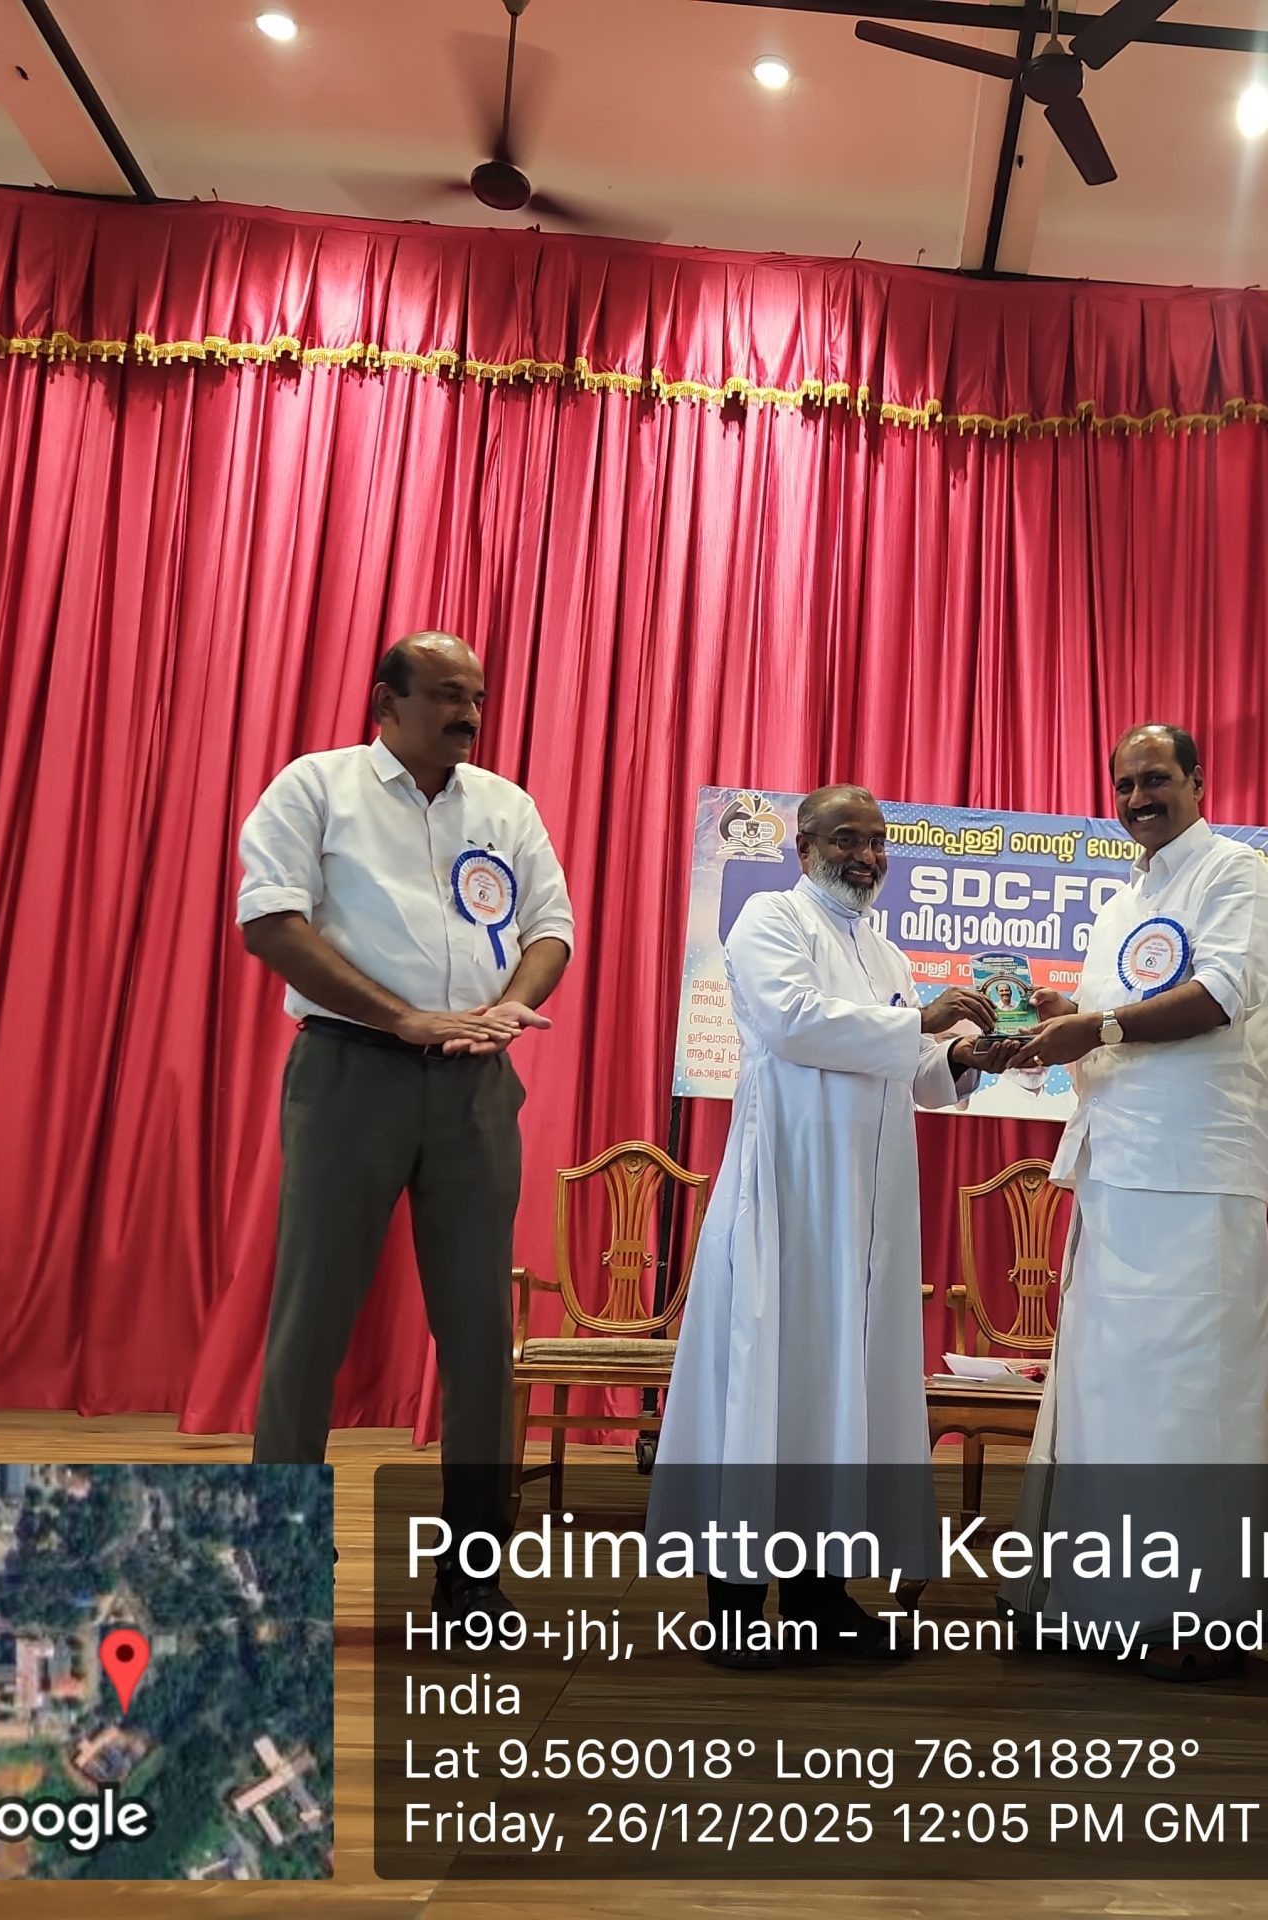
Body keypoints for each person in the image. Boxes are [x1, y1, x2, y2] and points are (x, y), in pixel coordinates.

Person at [235, 631, 573, 1628]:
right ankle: (280, 1571)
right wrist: (403, 1019)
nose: (468, 715)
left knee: (479, 1339)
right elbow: (270, 921)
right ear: (387, 701)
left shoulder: (505, 806)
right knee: (310, 1328)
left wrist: (508, 1006)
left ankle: (472, 1579)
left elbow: (550, 928)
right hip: (351, 1075)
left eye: (478, 698)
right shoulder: (316, 787)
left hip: (476, 1087)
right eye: (448, 696)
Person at [649, 785, 1018, 1667]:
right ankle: (737, 1607)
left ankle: (821, 1598)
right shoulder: (769, 920)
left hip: (867, 1214)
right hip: (787, 1195)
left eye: (877, 841)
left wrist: (968, 1055)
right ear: (805, 847)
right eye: (847, 838)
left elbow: (915, 1071)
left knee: (843, 1389)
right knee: (768, 1380)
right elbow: (794, 1023)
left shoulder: (882, 949)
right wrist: (919, 1022)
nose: (865, 855)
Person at [1001, 725, 1268, 1680]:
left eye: (1156, 779)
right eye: (1124, 784)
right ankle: (1098, 1603)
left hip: (1196, 1172)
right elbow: (1111, 1025)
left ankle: (1192, 1617)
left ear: (1198, 781)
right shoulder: (1124, 899)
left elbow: (1221, 995)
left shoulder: (1235, 873)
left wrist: (1100, 1027)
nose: (1137, 799)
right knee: (1108, 1391)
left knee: (1188, 1394)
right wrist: (1067, 1022)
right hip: (1116, 1169)